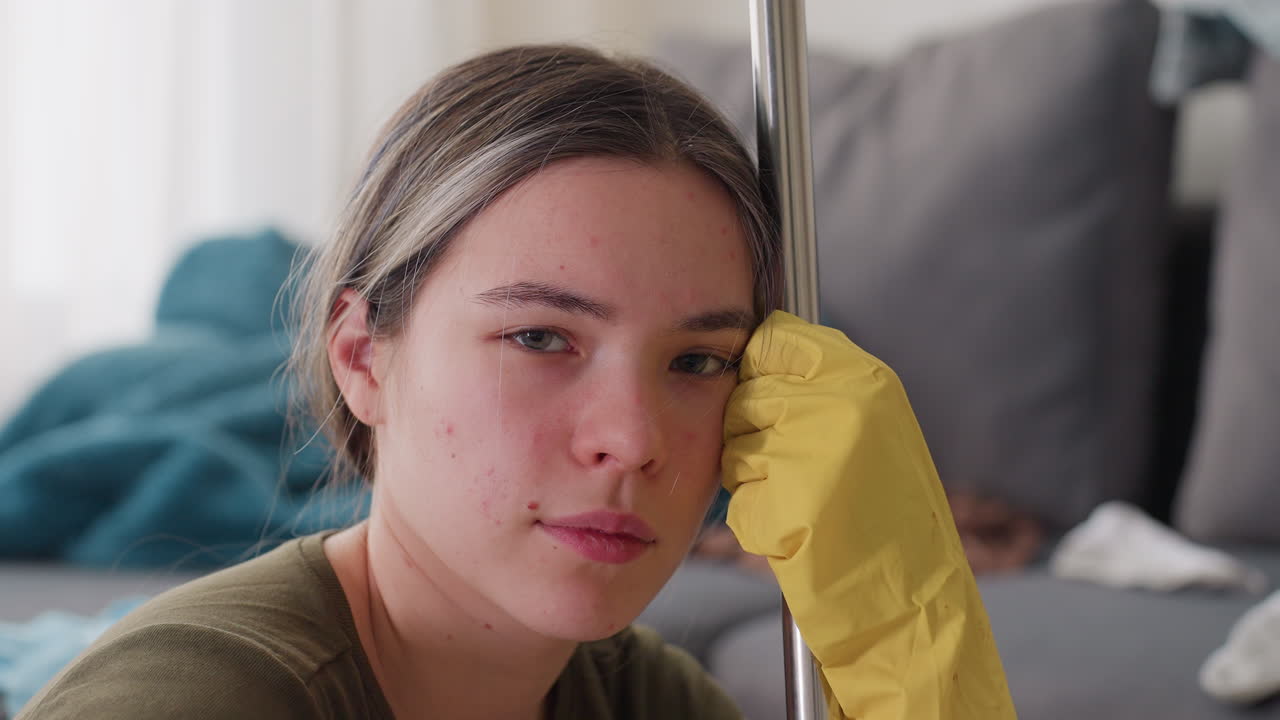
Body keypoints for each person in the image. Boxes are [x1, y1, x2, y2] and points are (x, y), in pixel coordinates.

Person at [21, 43, 1017, 720]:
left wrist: (904, 632)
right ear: (364, 356)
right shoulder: (194, 700)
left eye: (698, 361)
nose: (633, 438)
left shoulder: (630, 695)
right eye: (540, 337)